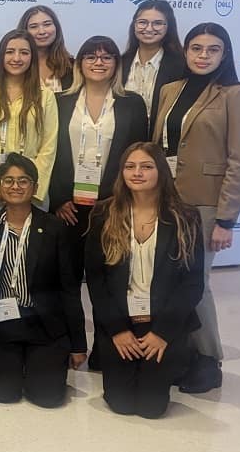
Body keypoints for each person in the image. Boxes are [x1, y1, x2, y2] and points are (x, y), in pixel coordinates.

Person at [151, 22, 240, 394]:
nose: (203, 55)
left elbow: (239, 161)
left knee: (197, 284)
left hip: (206, 203)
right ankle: (182, 354)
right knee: (167, 282)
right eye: (196, 48)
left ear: (224, 54)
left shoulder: (237, 95)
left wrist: (226, 219)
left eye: (212, 49)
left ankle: (209, 359)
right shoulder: (169, 90)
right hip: (166, 198)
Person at [85, 143, 204, 418]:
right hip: (120, 324)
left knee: (152, 408)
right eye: (130, 166)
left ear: (161, 171)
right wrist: (117, 330)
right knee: (121, 404)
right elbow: (95, 278)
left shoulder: (185, 217)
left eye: (146, 166)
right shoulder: (104, 213)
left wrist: (162, 333)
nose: (137, 173)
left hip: (162, 326)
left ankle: (182, 358)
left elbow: (192, 284)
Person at [0, 154, 86, 408]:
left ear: (35, 186)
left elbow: (69, 288)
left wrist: (78, 344)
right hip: (1, 321)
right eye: (8, 180)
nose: (15, 186)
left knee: (47, 397)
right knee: (3, 393)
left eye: (23, 180)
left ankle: (39, 365)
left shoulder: (54, 229)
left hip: (43, 323)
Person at [49, 36, 149, 276]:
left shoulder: (132, 103)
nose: (98, 62)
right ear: (80, 63)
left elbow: (137, 155)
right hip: (68, 207)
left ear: (116, 63)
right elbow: (50, 152)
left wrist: (122, 199)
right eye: (91, 56)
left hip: (112, 204)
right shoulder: (58, 102)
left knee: (108, 277)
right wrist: (58, 198)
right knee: (65, 277)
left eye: (106, 57)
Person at [0, 30, 58, 223]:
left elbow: (48, 147)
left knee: (30, 249)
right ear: (1, 56)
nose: (17, 58)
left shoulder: (45, 96)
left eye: (24, 52)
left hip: (31, 181)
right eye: (10, 52)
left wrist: (31, 187)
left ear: (32, 57)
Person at [121, 0, 185, 121]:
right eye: (142, 22)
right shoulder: (120, 63)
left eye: (158, 23)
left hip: (160, 138)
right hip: (124, 138)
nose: (149, 29)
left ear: (168, 27)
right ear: (134, 25)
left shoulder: (181, 67)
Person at [18, 5, 74, 92]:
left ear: (56, 28)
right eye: (34, 27)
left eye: (47, 24)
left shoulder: (73, 66)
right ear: (24, 31)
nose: (42, 31)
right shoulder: (15, 65)